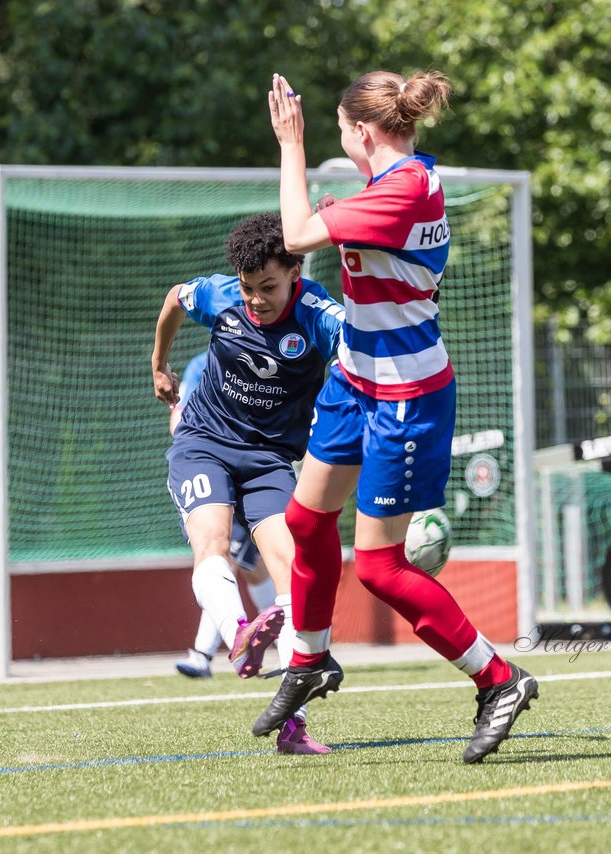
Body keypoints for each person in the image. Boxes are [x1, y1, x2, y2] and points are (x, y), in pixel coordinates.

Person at [254, 70, 539, 764]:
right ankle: (311, 661)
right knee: (304, 520)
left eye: (341, 133)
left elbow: (295, 232)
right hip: (357, 380)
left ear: (363, 132)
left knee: (381, 567)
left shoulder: (405, 189)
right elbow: (364, 240)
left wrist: (288, 143)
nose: (338, 143)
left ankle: (500, 680)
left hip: (404, 397)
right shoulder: (408, 180)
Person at [152, 211, 345, 755]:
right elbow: (174, 299)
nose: (257, 299)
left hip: (268, 460)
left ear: (296, 272)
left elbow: (360, 349)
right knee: (212, 546)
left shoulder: (319, 316)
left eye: (269, 287)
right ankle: (239, 633)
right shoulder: (220, 297)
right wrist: (159, 364)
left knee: (292, 576)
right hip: (202, 443)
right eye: (248, 288)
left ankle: (293, 723)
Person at [169, 352, 277, 680]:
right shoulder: (201, 365)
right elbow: (178, 421)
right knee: (224, 556)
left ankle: (290, 638)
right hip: (208, 468)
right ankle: (214, 650)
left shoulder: (274, 359)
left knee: (248, 565)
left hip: (253, 470)